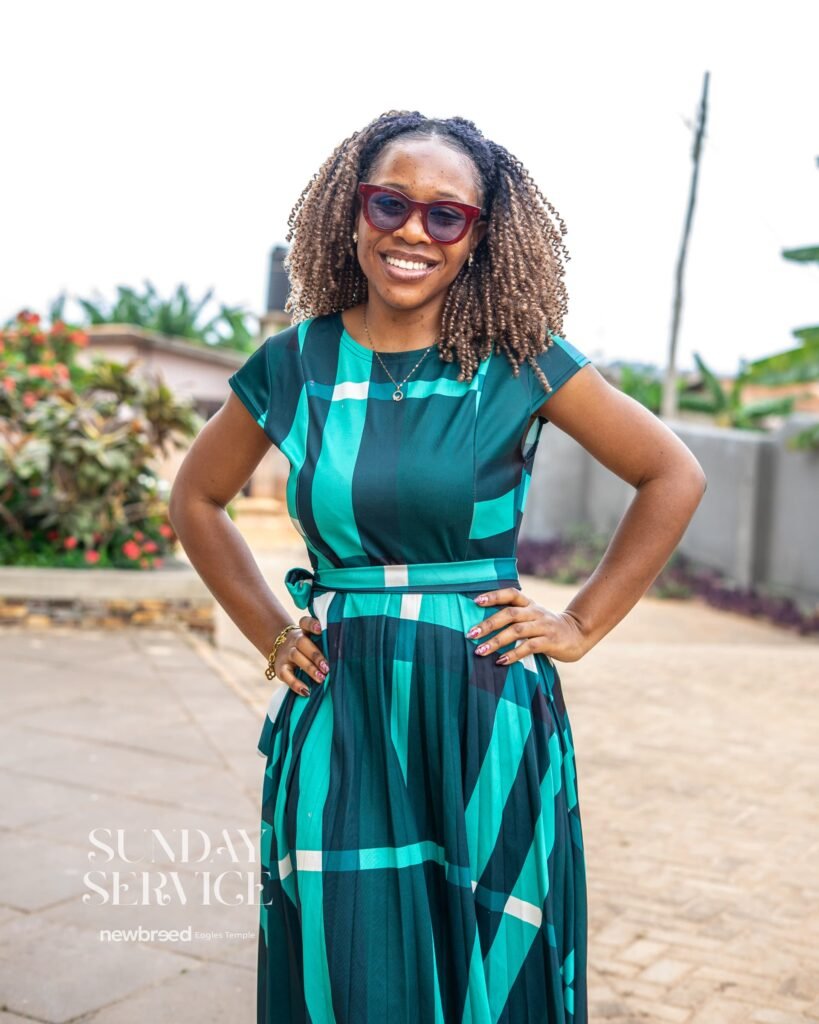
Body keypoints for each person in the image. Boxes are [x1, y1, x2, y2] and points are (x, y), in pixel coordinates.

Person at [169, 109, 707, 1024]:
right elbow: (196, 498)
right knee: (346, 955)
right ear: (352, 212)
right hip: (341, 704)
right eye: (390, 203)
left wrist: (579, 623)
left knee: (486, 957)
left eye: (445, 215)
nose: (412, 231)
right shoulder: (295, 362)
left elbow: (671, 473)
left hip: (481, 705)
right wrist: (269, 632)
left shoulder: (519, 362)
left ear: (477, 235)